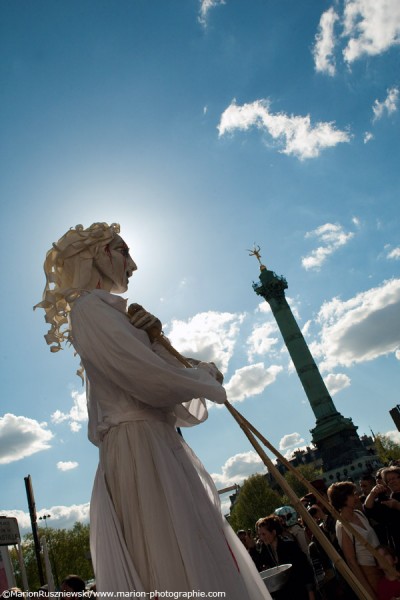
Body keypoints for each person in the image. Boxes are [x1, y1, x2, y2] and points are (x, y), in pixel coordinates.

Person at [36, 223, 271, 599]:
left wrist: (159, 343)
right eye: (124, 252)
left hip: (154, 441)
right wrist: (203, 380)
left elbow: (152, 371)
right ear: (100, 256)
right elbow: (145, 377)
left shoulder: (110, 312)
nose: (133, 264)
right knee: (168, 549)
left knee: (188, 545)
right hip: (139, 447)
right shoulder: (89, 310)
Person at [328, 481, 381, 599]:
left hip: (382, 565)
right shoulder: (342, 526)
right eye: (352, 495)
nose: (356, 496)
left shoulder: (358, 513)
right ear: (342, 499)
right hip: (368, 572)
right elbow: (351, 561)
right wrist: (367, 592)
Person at [253, 515, 316, 600]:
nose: (261, 538)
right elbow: (257, 565)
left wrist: (310, 593)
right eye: (260, 535)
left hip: (299, 591)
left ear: (274, 532)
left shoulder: (289, 546)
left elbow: (305, 569)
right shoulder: (266, 551)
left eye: (264, 534)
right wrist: (252, 547)